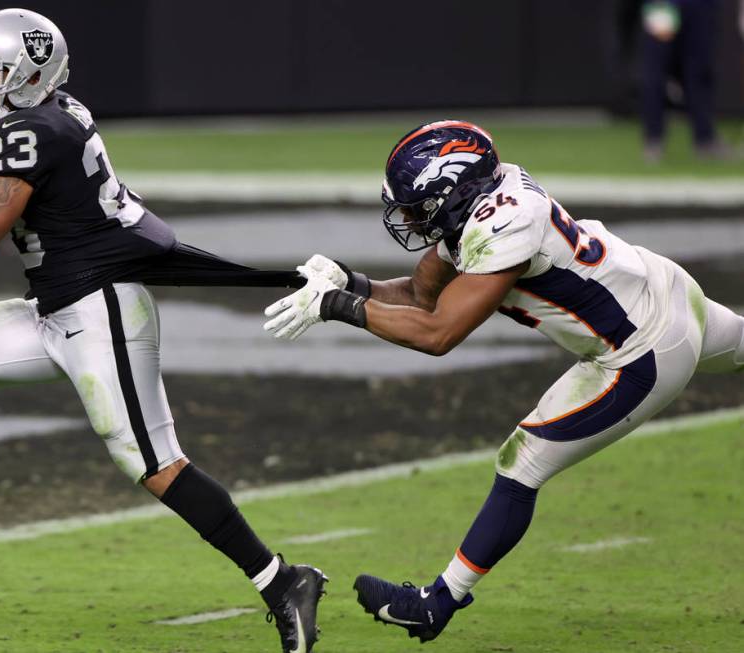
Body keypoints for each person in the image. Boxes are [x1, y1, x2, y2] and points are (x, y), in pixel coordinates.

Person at [0, 9, 326, 653]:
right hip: (56, 306)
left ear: (31, 75)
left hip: (101, 310)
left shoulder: (28, 132)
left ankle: (283, 582)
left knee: (155, 465)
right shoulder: (59, 112)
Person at [262, 120, 744, 643]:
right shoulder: (485, 204)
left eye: (417, 204)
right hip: (666, 287)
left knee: (523, 462)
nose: (406, 217)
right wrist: (349, 281)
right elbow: (422, 298)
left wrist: (338, 307)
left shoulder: (501, 224)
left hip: (643, 348)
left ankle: (436, 603)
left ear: (456, 191)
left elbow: (438, 332)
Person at [638, 0, 724, 161]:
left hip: (699, 6)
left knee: (699, 71)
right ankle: (653, 139)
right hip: (664, 4)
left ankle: (705, 138)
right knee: (656, 69)